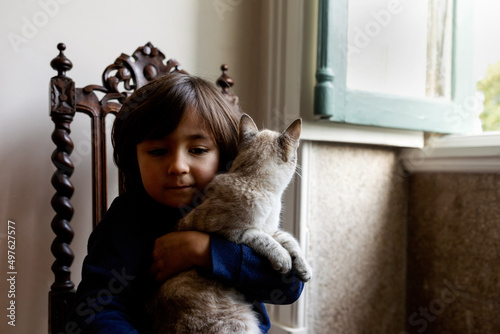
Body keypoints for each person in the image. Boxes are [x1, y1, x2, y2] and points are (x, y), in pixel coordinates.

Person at [69, 73, 305, 333]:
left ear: (225, 154)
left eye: (198, 150)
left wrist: (205, 251)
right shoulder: (128, 217)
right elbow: (98, 307)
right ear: (133, 159)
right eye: (158, 151)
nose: (178, 167)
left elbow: (288, 288)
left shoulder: (236, 206)